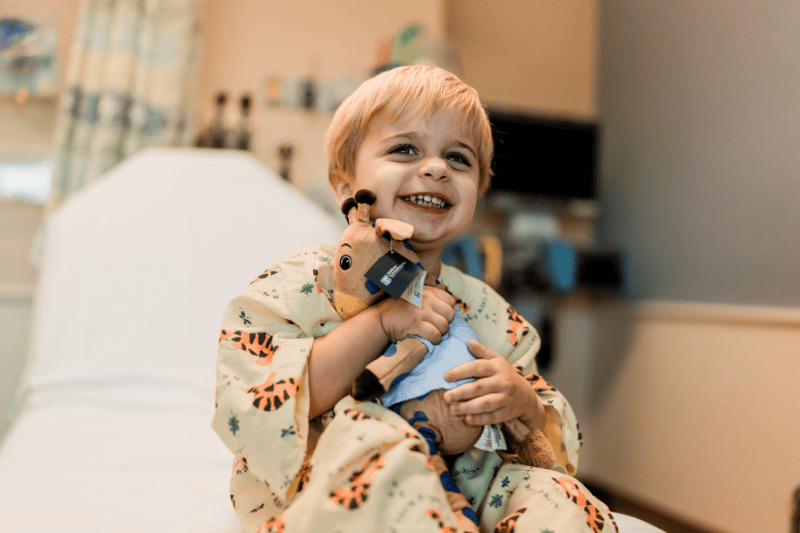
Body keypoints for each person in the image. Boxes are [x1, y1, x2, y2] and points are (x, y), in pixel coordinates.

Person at [213, 65, 616, 533]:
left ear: (478, 191)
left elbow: (546, 446)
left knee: (563, 497)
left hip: (472, 488)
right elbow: (258, 398)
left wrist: (522, 401)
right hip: (335, 476)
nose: (437, 168)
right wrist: (381, 324)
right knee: (384, 457)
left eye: (459, 159)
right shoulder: (308, 281)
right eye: (404, 149)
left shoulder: (489, 310)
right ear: (345, 184)